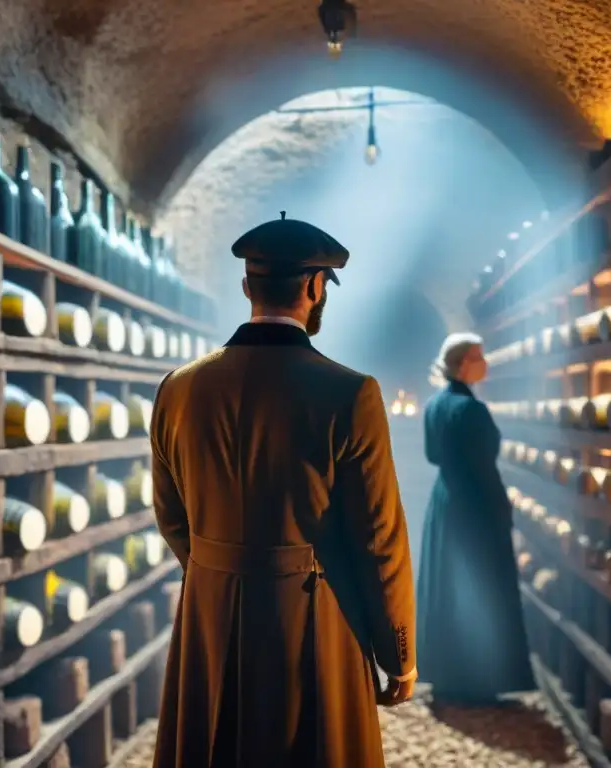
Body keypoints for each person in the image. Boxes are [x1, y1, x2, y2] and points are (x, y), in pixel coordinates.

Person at [150, 212, 417, 768]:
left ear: (247, 286)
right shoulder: (351, 394)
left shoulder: (176, 389)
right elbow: (379, 539)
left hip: (209, 618)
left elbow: (172, 517)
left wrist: (220, 574)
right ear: (317, 287)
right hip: (314, 625)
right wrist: (400, 656)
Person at [416, 332, 534, 705]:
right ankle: (479, 681)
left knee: (448, 584)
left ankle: (448, 676)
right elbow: (484, 468)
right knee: (479, 586)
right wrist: (502, 507)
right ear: (464, 363)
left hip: (445, 500)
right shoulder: (472, 409)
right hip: (474, 507)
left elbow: (433, 455)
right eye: (480, 357)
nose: (486, 363)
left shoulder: (436, 404)